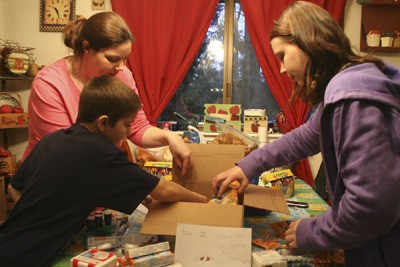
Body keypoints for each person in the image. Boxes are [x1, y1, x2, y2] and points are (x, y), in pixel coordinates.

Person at [212, 2, 400, 266]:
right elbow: (301, 139)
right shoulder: (345, 87)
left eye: (282, 56)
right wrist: (247, 166)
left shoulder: (351, 95)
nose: (281, 70)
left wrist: (309, 232)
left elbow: (369, 209)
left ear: (307, 41)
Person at [0, 76, 207, 267]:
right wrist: (203, 201)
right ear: (103, 122)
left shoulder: (53, 139)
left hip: (8, 241)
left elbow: (14, 188)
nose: (128, 132)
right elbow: (164, 191)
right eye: (126, 125)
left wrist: (44, 215)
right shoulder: (101, 153)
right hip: (28, 257)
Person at [23, 11, 191, 175]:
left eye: (125, 58)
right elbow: (66, 154)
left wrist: (169, 138)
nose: (121, 67)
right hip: (49, 182)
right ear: (87, 48)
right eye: (113, 59)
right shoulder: (49, 84)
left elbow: (136, 127)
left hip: (94, 178)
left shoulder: (121, 75)